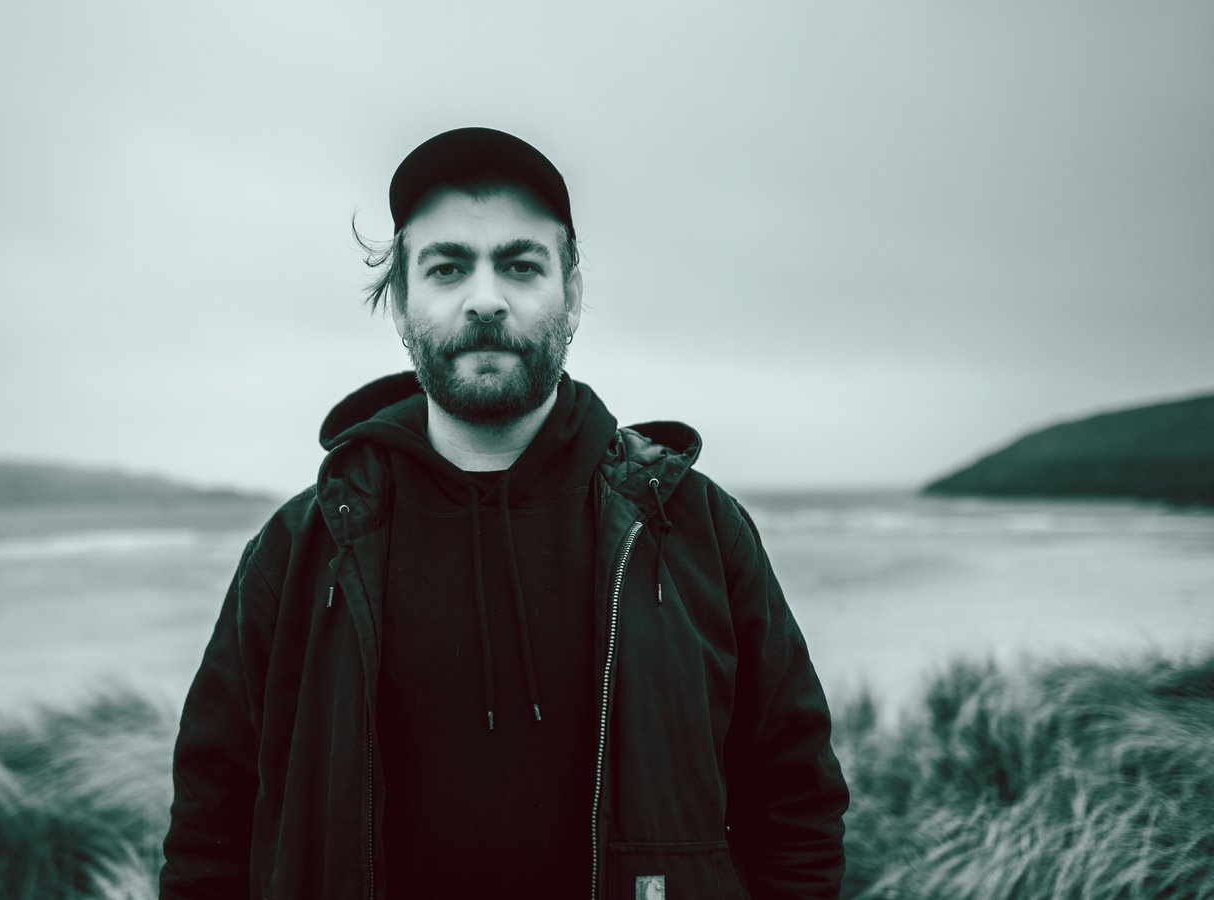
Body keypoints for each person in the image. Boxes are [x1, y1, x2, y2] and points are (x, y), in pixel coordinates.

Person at [159, 127, 849, 899]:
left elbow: (796, 805)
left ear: (572, 296)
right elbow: (209, 831)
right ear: (402, 305)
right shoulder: (301, 547)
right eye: (448, 267)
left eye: (520, 265)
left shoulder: (690, 525)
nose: (485, 299)